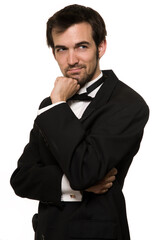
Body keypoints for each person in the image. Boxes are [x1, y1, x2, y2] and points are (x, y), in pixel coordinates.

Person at [10, 4, 149, 240]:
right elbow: (21, 179)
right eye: (62, 49)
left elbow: (85, 171)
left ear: (101, 46)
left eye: (81, 47)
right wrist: (75, 185)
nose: (71, 59)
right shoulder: (51, 104)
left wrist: (58, 105)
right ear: (53, 53)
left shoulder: (128, 104)